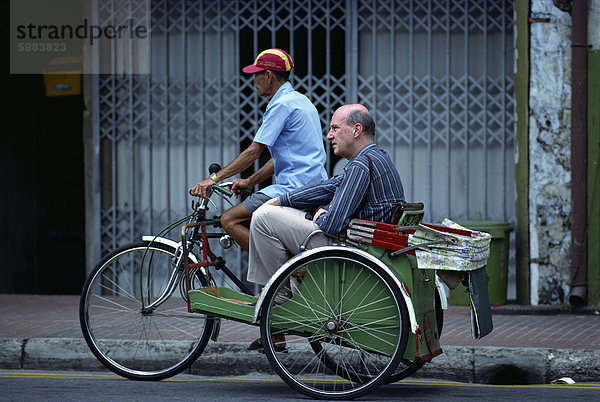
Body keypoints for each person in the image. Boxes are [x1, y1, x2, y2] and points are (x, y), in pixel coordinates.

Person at [245, 104, 405, 351]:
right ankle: (286, 288)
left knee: (264, 217)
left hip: (351, 250)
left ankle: (278, 296)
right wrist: (282, 199)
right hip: (366, 246)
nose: (329, 135)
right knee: (275, 209)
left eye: (334, 128)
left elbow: (332, 224)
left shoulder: (362, 165)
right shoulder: (376, 158)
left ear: (356, 130)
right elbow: (328, 188)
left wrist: (321, 214)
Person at [190, 48, 327, 251]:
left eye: (256, 74)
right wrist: (249, 181)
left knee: (229, 220)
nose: (254, 81)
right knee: (259, 223)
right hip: (312, 186)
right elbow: (282, 158)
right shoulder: (301, 101)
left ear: (269, 76)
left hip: (292, 189)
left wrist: (213, 179)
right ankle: (288, 268)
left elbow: (253, 152)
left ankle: (279, 275)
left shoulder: (281, 104)